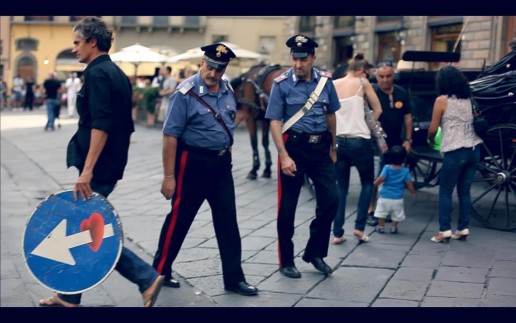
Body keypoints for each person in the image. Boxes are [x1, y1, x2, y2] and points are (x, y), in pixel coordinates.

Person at [39, 16, 164, 308]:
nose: (74, 49)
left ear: (92, 41)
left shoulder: (97, 74)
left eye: (77, 42)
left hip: (100, 166)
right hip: (112, 162)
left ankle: (145, 277)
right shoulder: (116, 73)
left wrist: (88, 170)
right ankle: (69, 295)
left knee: (89, 229)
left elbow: (101, 124)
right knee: (81, 226)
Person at [153, 42, 258, 296]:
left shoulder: (227, 88)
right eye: (210, 67)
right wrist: (169, 177)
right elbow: (170, 136)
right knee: (180, 219)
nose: (213, 73)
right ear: (202, 62)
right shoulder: (185, 93)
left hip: (221, 164)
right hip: (193, 164)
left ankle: (234, 279)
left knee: (228, 221)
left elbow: (228, 125)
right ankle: (159, 272)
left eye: (219, 69)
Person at [265, 34, 340, 279]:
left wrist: (334, 145)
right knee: (287, 207)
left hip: (321, 148)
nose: (298, 65)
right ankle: (286, 260)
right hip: (294, 148)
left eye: (303, 59)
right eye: (294, 59)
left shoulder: (325, 82)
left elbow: (331, 115)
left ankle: (314, 252)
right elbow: (275, 122)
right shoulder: (281, 84)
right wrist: (283, 155)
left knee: (331, 200)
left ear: (313, 58)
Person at [331, 53, 383, 245]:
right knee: (367, 183)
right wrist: (367, 125)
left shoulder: (334, 84)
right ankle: (359, 228)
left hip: (339, 140)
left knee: (341, 187)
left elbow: (326, 111)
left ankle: (337, 233)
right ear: (361, 71)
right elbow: (378, 109)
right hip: (359, 140)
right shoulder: (362, 83)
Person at [428, 65, 483, 243]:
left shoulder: (441, 101)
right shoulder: (469, 98)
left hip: (455, 151)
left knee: (445, 191)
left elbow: (433, 129)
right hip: (474, 149)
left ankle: (444, 230)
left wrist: (430, 140)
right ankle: (463, 228)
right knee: (464, 191)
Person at [367, 61, 414, 227]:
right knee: (376, 176)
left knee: (391, 176)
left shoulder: (401, 93)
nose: (385, 80)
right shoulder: (372, 92)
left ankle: (384, 210)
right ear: (376, 77)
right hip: (375, 140)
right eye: (381, 76)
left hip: (395, 140)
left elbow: (408, 117)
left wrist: (408, 140)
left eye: (388, 76)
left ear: (393, 76)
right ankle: (371, 210)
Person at [373, 145, 417, 234]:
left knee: (382, 213)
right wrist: (413, 192)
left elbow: (381, 178)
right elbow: (409, 184)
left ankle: (381, 227)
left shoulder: (387, 168)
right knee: (396, 214)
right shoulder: (405, 171)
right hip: (398, 198)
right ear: (404, 159)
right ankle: (394, 227)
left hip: (384, 197)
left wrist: (374, 184)